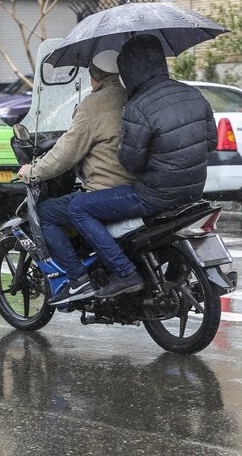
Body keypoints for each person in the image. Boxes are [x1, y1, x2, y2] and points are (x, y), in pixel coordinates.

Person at [67, 33, 217, 299]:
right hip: (194, 192)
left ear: (131, 70)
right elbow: (211, 142)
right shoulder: (192, 93)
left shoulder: (138, 105)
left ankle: (124, 273)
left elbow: (130, 161)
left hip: (154, 196)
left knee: (78, 208)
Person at [17, 50, 135, 305]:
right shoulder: (132, 96)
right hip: (135, 187)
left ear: (94, 77)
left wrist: (32, 172)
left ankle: (78, 279)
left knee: (47, 211)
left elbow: (65, 153)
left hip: (106, 189)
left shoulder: (93, 105)